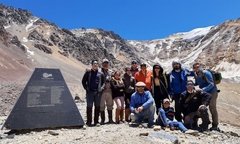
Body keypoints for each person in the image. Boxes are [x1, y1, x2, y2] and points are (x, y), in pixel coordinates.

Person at [193, 62, 219, 131]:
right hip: (204, 93)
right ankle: (205, 122)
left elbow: (211, 84)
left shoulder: (206, 73)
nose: (196, 68)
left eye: (198, 67)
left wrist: (203, 90)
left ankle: (215, 125)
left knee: (212, 108)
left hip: (212, 92)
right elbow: (197, 83)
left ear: (200, 67)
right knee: (202, 107)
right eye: (195, 67)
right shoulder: (196, 75)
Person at [82, 60, 105, 126]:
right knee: (89, 107)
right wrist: (86, 89)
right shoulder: (88, 73)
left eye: (97, 64)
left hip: (97, 93)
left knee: (97, 107)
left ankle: (96, 121)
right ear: (92, 65)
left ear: (98, 65)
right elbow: (83, 81)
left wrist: (101, 88)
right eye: (94, 64)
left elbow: (104, 82)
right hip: (90, 93)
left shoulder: (101, 74)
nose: (95, 65)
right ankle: (89, 122)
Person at [99, 58, 114, 124]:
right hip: (102, 91)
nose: (105, 64)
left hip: (109, 91)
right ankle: (103, 120)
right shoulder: (99, 72)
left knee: (110, 105)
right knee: (102, 105)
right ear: (102, 64)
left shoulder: (110, 72)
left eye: (107, 63)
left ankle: (110, 119)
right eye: (104, 63)